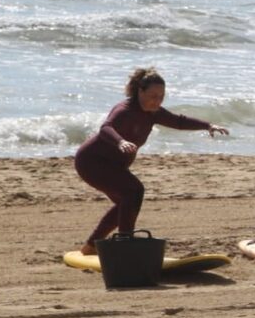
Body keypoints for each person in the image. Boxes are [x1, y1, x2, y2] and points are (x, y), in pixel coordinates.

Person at [74, 68, 229, 255]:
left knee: (127, 203)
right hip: (92, 162)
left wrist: (207, 125)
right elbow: (106, 128)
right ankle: (124, 244)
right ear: (140, 91)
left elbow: (178, 121)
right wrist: (121, 141)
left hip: (114, 165)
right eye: (153, 96)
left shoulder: (153, 112)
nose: (157, 101)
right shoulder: (125, 111)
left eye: (161, 97)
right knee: (134, 192)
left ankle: (91, 246)